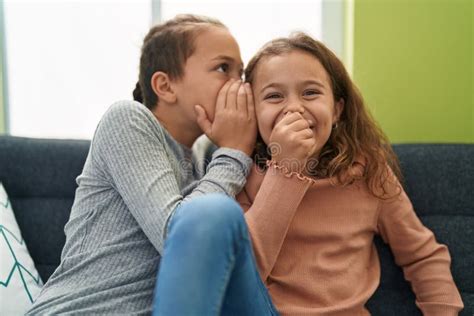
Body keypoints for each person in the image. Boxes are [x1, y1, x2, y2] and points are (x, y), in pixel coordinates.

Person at [27, 14, 263, 315]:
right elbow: (179, 237)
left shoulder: (207, 158)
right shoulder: (128, 120)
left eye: (241, 74)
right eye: (223, 68)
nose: (240, 87)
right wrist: (233, 153)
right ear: (165, 86)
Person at [236, 32, 464, 315]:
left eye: (310, 92)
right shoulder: (243, 174)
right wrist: (285, 169)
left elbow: (422, 255)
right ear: (253, 113)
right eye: (273, 96)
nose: (294, 108)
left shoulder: (368, 171)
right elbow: (244, 273)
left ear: (337, 111)